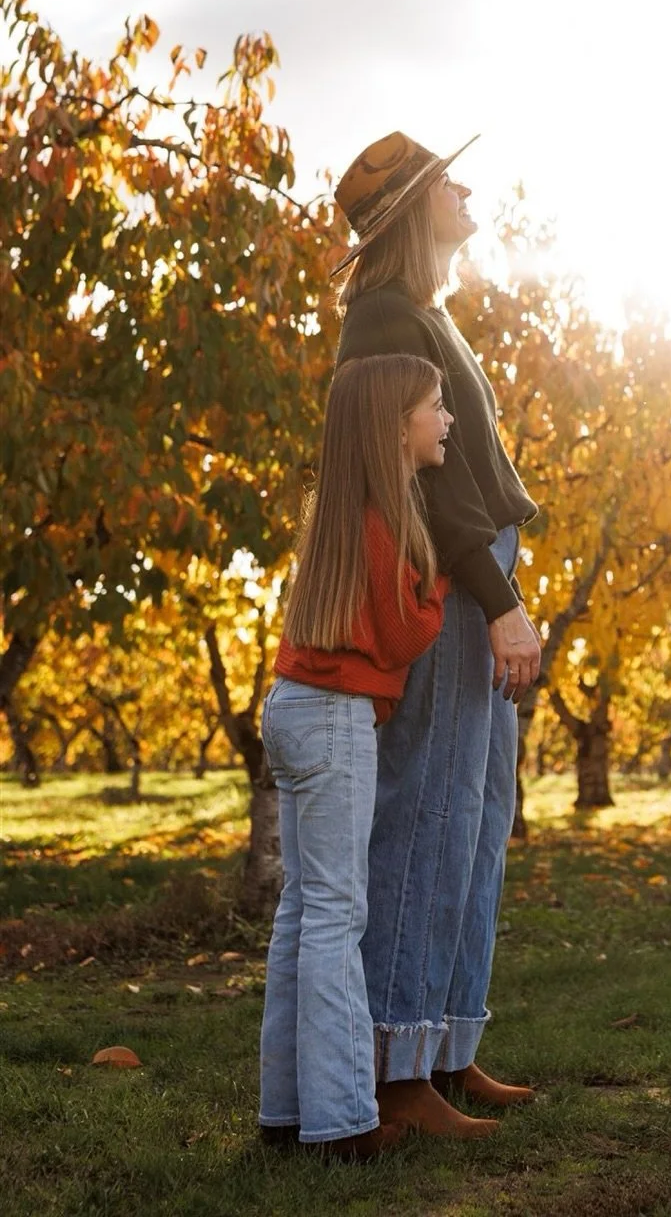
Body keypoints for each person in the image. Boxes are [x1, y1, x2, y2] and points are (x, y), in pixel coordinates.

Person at [329, 130, 541, 1137]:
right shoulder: (382, 316)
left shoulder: (420, 312)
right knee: (431, 812)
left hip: (480, 568)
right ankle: (394, 1067)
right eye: (445, 181)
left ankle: (448, 1046)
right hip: (458, 578)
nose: (466, 188)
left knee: (482, 812)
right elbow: (424, 476)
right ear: (414, 208)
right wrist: (494, 596)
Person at [258, 353, 454, 1160]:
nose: (446, 421)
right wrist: (438, 587)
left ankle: (284, 1111)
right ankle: (342, 1125)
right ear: (395, 424)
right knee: (339, 916)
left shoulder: (340, 514)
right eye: (435, 408)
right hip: (336, 720)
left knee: (303, 914)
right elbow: (406, 631)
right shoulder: (383, 520)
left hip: (295, 707)